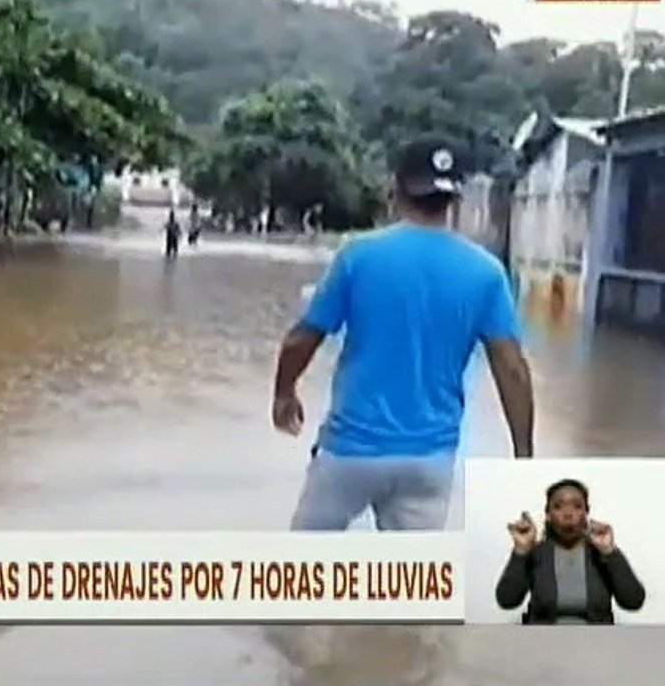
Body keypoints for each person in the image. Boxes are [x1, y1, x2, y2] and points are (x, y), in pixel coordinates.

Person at [271, 134, 534, 532]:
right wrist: (523, 455)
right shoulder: (486, 273)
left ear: (394, 189)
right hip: (429, 461)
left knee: (300, 576)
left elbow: (302, 338)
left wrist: (284, 392)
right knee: (414, 586)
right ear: (456, 200)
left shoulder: (358, 255)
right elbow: (511, 369)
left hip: (349, 452)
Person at [495, 479, 645, 624]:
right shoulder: (537, 553)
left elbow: (633, 602)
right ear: (548, 514)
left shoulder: (599, 553)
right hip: (543, 642)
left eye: (577, 506)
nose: (568, 513)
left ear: (586, 513)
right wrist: (521, 551)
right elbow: (507, 601)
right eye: (558, 507)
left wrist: (609, 551)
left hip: (597, 643)